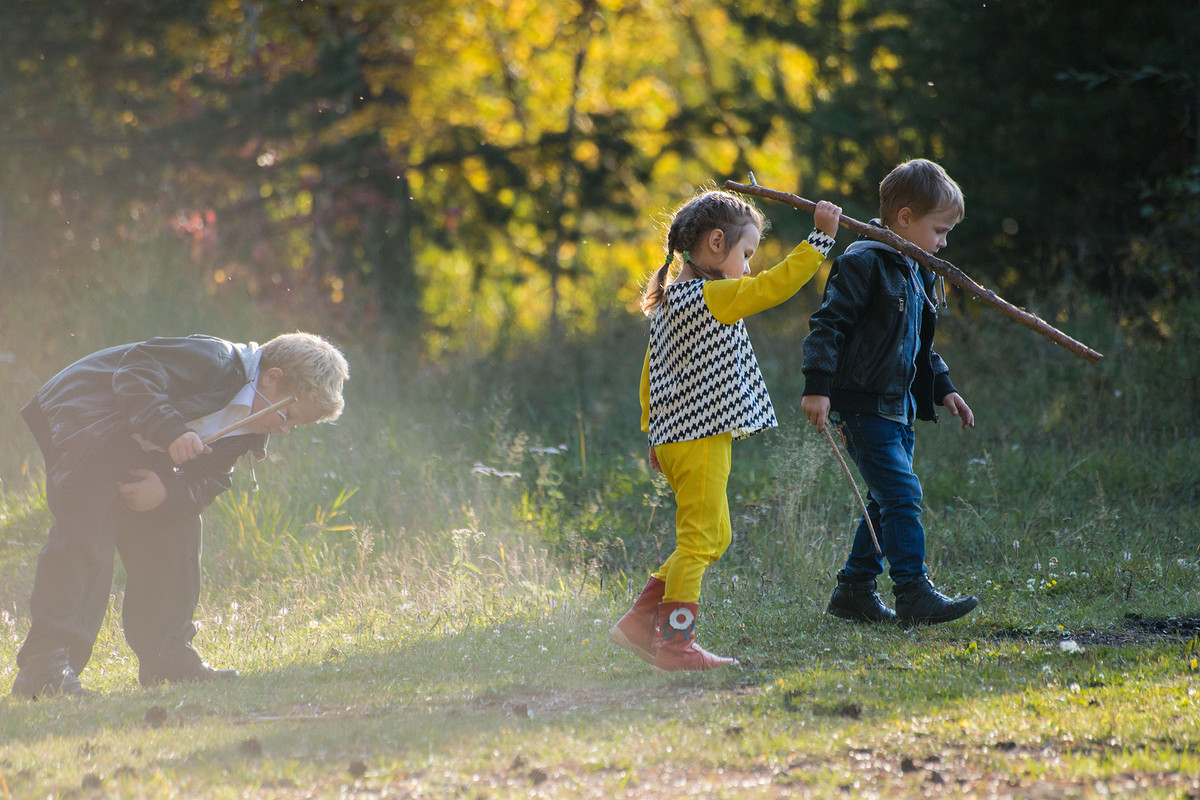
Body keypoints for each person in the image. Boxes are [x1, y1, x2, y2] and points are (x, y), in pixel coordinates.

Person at [11, 332, 349, 698]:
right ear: (272, 378)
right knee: (89, 530)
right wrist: (171, 431)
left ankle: (167, 657)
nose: (283, 428)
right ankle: (45, 666)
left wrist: (166, 493)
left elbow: (210, 480)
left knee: (178, 526)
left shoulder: (250, 426)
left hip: (133, 438)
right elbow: (135, 372)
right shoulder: (213, 358)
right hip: (85, 416)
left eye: (293, 426)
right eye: (286, 415)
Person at [610, 188, 841, 672]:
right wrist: (819, 240)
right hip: (698, 438)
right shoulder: (710, 298)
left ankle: (639, 622)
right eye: (746, 254)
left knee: (713, 537)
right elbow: (773, 288)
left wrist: (654, 430)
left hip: (682, 438)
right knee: (699, 541)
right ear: (716, 243)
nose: (750, 268)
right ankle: (675, 646)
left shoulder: (676, 299)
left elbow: (652, 372)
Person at [801, 158, 979, 627]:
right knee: (901, 494)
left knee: (884, 499)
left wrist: (943, 388)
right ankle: (913, 592)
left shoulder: (916, 271)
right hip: (862, 407)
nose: (942, 244)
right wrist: (818, 388)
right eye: (939, 231)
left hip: (897, 407)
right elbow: (828, 326)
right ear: (904, 218)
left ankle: (855, 591)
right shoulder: (864, 262)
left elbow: (917, 345)